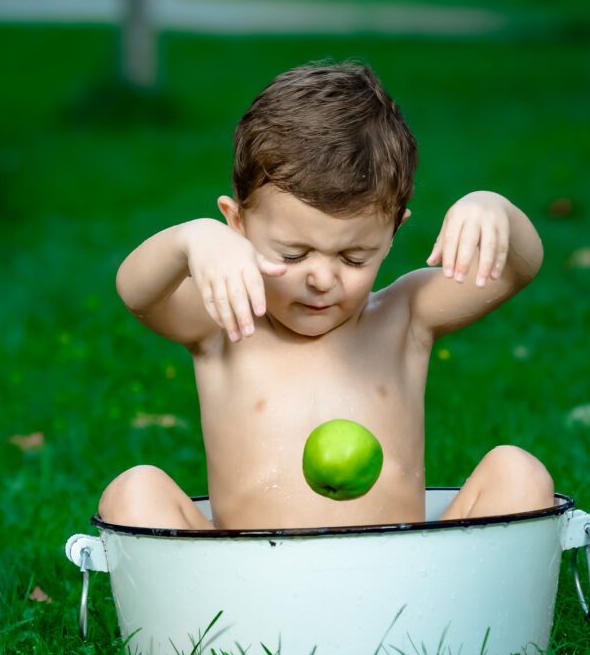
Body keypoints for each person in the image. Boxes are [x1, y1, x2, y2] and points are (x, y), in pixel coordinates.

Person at [99, 61, 553, 531]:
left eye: (354, 258)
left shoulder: (405, 317)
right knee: (135, 489)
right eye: (293, 254)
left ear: (394, 232)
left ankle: (471, 605)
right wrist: (189, 241)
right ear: (237, 223)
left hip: (406, 579)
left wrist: (493, 208)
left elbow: (520, 269)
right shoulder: (227, 319)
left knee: (516, 471)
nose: (321, 279)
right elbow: (137, 294)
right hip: (247, 584)